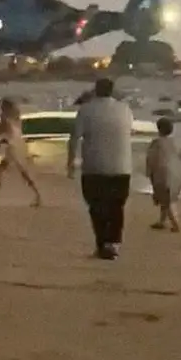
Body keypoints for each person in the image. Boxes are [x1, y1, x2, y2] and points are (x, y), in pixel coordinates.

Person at [67, 78, 133, 260]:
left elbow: (74, 138)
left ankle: (102, 243)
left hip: (94, 167)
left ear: (95, 90)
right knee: (117, 207)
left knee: (96, 206)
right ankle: (114, 244)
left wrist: (71, 163)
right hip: (122, 166)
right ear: (112, 91)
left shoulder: (86, 110)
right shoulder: (125, 109)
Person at [0, 98, 41, 208]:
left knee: (19, 172)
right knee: (4, 170)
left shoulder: (5, 118)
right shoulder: (16, 117)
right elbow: (10, 134)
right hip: (19, 145)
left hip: (13, 148)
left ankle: (38, 196)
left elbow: (0, 131)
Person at [145, 117, 181, 232]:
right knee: (168, 198)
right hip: (176, 174)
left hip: (162, 174)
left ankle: (175, 224)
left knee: (166, 200)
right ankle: (162, 221)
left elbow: (151, 159)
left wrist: (149, 172)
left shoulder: (156, 143)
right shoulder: (176, 143)